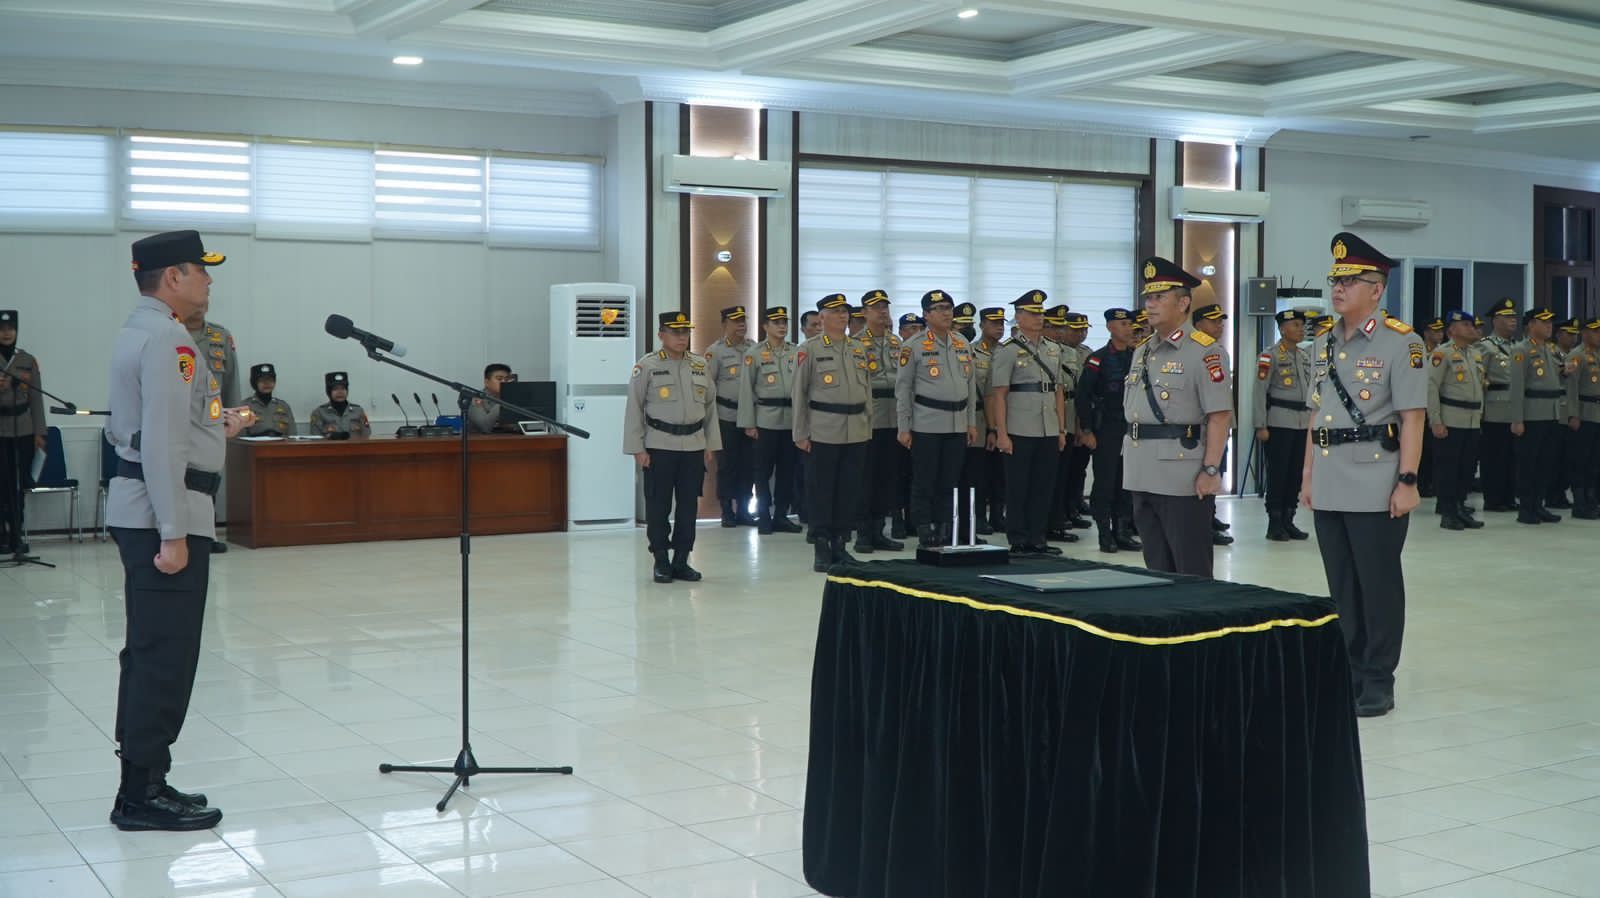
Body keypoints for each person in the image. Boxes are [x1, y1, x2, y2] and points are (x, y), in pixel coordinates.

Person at [107, 229, 248, 831]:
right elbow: (162, 441)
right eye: (200, 271)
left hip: (150, 506)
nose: (209, 281)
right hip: (166, 516)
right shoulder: (170, 340)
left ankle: (146, 780)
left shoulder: (143, 330)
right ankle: (141, 795)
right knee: (164, 656)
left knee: (151, 653)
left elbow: (169, 428)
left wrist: (221, 429)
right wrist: (171, 532)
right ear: (172, 277)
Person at [1301, 232, 1426, 718]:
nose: (1338, 289)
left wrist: (1409, 480)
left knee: (1377, 584)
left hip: (1377, 478)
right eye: (1335, 280)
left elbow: (1412, 417)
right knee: (1342, 585)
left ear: (1377, 288)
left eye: (1350, 281)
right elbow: (1316, 417)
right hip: (1330, 478)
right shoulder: (1323, 343)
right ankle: (1350, 669)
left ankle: (1378, 677)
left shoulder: (1403, 342)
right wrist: (1308, 476)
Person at [1122, 260, 1232, 577]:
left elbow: (1220, 416)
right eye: (1148, 298)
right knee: (1156, 567)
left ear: (1183, 303)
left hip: (1181, 474)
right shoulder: (1142, 351)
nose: (1150, 305)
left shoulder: (1204, 352)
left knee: (1191, 568)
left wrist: (1211, 469)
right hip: (1141, 470)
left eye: (1159, 297)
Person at [624, 311, 720, 583]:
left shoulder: (700, 365)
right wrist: (637, 449)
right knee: (658, 506)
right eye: (675, 332)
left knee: (689, 507)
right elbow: (634, 409)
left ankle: (681, 560)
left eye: (685, 332)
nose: (682, 337)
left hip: (693, 446)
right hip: (659, 446)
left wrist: (710, 444)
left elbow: (710, 408)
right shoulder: (648, 366)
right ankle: (661, 561)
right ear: (661, 335)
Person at [794, 294, 873, 571]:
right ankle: (821, 545)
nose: (843, 316)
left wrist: (868, 424)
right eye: (836, 311)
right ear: (822, 317)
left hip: (856, 430)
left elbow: (867, 390)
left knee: (848, 490)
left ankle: (841, 544)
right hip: (824, 428)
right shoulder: (810, 349)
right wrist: (801, 433)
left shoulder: (857, 348)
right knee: (821, 490)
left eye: (845, 312)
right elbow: (799, 394)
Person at [896, 290, 978, 548]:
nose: (946, 312)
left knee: (949, 481)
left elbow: (971, 386)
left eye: (949, 307)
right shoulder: (914, 346)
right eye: (940, 308)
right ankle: (924, 528)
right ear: (926, 314)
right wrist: (904, 426)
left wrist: (971, 422)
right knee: (925, 480)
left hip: (957, 422)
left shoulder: (961, 343)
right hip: (926, 423)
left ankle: (945, 527)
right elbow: (903, 389)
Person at [989, 291, 1068, 555]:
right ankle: (1018, 538)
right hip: (1019, 428)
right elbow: (999, 394)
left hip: (1047, 426)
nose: (1038, 318)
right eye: (1033, 313)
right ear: (1019, 317)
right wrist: (1001, 432)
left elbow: (1057, 391)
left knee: (1043, 485)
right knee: (1018, 486)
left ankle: (1038, 537)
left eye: (1040, 313)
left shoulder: (1052, 349)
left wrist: (1060, 429)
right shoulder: (1007, 351)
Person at [1077, 308, 1141, 553]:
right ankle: (1105, 534)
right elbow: (1083, 396)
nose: (1129, 328)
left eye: (1129, 324)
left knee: (1126, 483)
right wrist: (1086, 430)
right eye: (1123, 324)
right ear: (1111, 328)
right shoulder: (1098, 358)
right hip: (1106, 429)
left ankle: (1122, 531)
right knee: (1105, 483)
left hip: (1131, 429)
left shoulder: (1137, 357)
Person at [736, 306, 802, 535]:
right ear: (765, 326)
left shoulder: (796, 352)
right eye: (776, 322)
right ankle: (764, 514)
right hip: (765, 420)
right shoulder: (754, 354)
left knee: (787, 471)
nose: (782, 326)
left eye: (785, 321)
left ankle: (781, 515)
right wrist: (748, 423)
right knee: (762, 472)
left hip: (791, 420)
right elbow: (746, 391)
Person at [853, 290, 905, 553]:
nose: (882, 311)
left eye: (885, 306)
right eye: (876, 308)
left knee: (888, 478)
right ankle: (863, 533)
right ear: (864, 313)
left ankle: (878, 531)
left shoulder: (897, 344)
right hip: (869, 418)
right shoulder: (856, 344)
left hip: (894, 417)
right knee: (866, 478)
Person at [1254, 309, 1313, 540]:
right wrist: (1260, 424)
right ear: (1282, 329)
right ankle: (1275, 522)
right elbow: (1259, 391)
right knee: (1278, 474)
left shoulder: (1304, 356)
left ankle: (1289, 519)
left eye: (1302, 325)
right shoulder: (1270, 356)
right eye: (1296, 325)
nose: (1301, 329)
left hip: (1302, 422)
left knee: (1295, 474)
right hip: (1279, 422)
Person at [1428, 310, 1485, 530]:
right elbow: (1431, 387)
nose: (1472, 328)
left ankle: (1461, 508)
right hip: (1450, 419)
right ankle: (1448, 512)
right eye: (1466, 325)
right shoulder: (1442, 354)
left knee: (1466, 469)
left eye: (1473, 325)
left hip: (1471, 420)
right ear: (1452, 330)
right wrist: (1435, 420)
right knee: (1448, 469)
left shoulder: (1474, 354)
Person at [1509, 307, 1565, 524]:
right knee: (1528, 464)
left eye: (1551, 322)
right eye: (1544, 322)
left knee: (1545, 463)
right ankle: (1526, 508)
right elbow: (1517, 388)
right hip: (1531, 414)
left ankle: (1538, 504)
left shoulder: (1551, 350)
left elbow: (1557, 375)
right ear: (1531, 325)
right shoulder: (1521, 350)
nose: (1549, 326)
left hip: (1551, 412)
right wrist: (1517, 419)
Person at [0, 310, 45, 555]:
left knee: (18, 485)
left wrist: (40, 432)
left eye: (11, 329)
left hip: (24, 429)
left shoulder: (27, 360)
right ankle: (2, 535)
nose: (7, 333)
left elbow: (36, 398)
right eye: (2, 329)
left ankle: (17, 534)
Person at [707, 305, 756, 527]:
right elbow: (708, 387)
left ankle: (745, 509)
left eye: (743, 320)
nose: (741, 325)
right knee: (727, 465)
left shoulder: (754, 348)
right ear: (725, 324)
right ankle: (727, 509)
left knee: (749, 465)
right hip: (726, 416)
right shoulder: (716, 351)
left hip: (751, 417)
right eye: (736, 321)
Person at [969, 305, 1008, 535]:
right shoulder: (973, 353)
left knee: (1000, 474)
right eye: (994, 323)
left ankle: (997, 515)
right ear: (982, 325)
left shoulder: (1009, 351)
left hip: (1005, 422)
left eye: (1002, 323)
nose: (999, 328)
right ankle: (979, 517)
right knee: (979, 474)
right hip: (982, 421)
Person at [1478, 298, 1519, 511]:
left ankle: (1509, 496)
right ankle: (1493, 499)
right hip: (1494, 410)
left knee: (1512, 458)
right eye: (1507, 317)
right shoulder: (1486, 346)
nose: (1513, 321)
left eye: (1514, 317)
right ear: (1495, 320)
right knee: (1494, 457)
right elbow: (1479, 379)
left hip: (1514, 410)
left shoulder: (1517, 346)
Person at [1059, 311, 1095, 531]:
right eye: (1075, 329)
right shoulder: (1055, 352)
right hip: (1063, 413)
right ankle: (1062, 509)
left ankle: (1075, 504)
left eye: (1084, 330)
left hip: (1081, 414)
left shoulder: (1087, 353)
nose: (1080, 334)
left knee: (1079, 466)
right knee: (1063, 468)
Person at [1565, 317, 1600, 519]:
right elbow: (1571, 388)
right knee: (1581, 461)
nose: (1598, 335)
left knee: (1595, 462)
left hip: (1597, 413)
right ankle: (1580, 503)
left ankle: (1591, 499)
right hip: (1584, 413)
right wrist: (1573, 414)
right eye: (1595, 331)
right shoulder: (1576, 356)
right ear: (1585, 333)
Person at [309, 372, 371, 438]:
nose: (340, 392)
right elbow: (315, 438)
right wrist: (331, 437)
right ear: (329, 392)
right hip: (330, 448)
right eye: (335, 389)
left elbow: (366, 434)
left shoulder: (358, 411)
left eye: (343, 388)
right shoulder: (319, 412)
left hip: (355, 448)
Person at [241, 364, 295, 437]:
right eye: (262, 380)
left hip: (281, 447)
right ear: (254, 383)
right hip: (256, 447)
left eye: (270, 380)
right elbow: (240, 437)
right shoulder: (245, 407)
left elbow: (293, 435)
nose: (267, 383)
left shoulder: (284, 406)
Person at [466, 363, 513, 434]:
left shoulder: (513, 397)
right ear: (487, 382)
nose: (504, 382)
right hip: (481, 442)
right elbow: (485, 427)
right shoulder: (477, 398)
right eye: (499, 379)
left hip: (510, 439)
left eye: (507, 379)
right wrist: (503, 402)